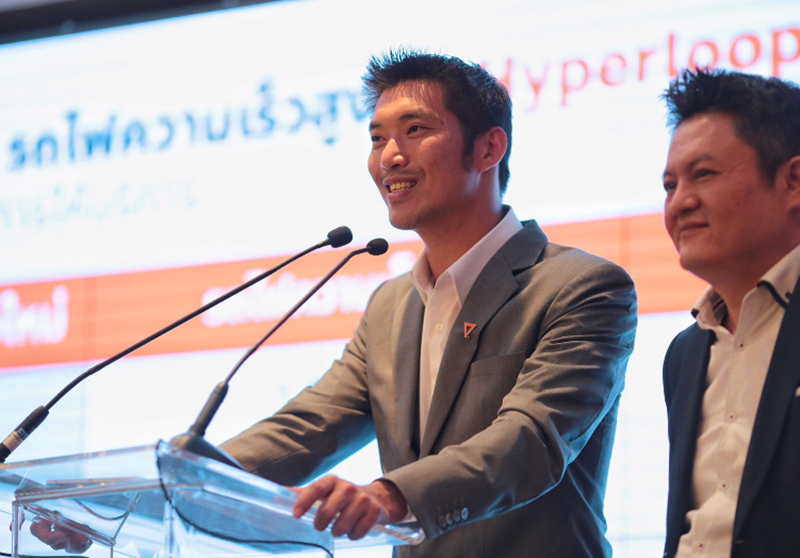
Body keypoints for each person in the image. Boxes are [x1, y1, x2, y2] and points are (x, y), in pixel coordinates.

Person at [221, 49, 637, 558]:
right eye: (377, 138)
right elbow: (309, 427)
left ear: (488, 148)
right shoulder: (390, 304)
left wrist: (390, 495)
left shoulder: (582, 286)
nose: (389, 157)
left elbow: (529, 439)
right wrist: (181, 478)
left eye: (415, 130)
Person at [660, 68, 800, 558]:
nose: (680, 203)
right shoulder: (683, 354)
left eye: (703, 174)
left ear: (793, 181)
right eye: (669, 185)